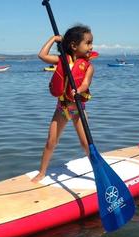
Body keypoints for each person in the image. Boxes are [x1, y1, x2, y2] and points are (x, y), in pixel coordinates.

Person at [31, 25, 94, 183]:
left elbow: (85, 83)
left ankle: (98, 170)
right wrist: (54, 39)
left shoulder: (89, 66)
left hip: (79, 110)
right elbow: (42, 55)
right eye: (88, 43)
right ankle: (42, 172)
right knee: (51, 141)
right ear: (74, 46)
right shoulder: (61, 60)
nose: (91, 47)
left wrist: (78, 90)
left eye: (91, 43)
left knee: (86, 144)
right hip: (62, 109)